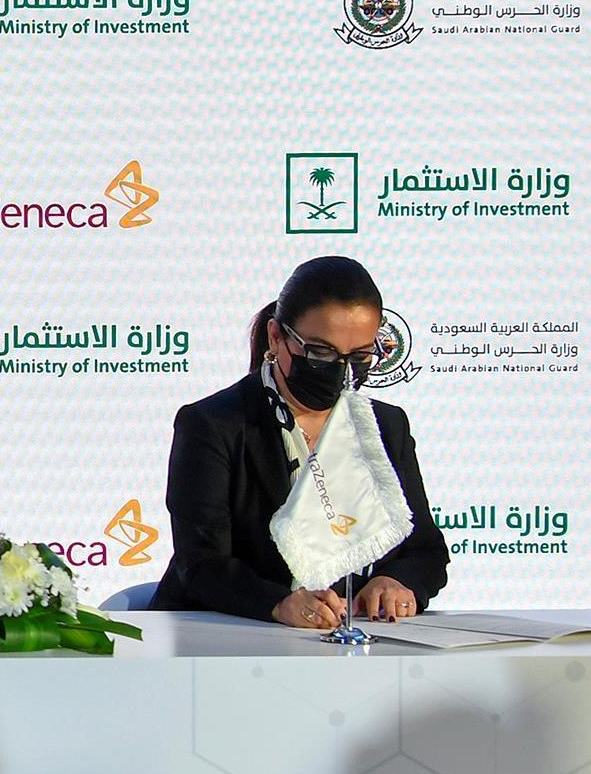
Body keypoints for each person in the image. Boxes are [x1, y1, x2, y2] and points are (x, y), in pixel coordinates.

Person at [152, 256, 448, 627]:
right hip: (227, 637)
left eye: (359, 356)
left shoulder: (387, 426)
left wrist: (396, 581)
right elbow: (201, 564)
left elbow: (426, 551)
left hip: (347, 640)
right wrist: (279, 604)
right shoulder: (213, 424)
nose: (342, 370)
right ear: (276, 337)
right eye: (320, 352)